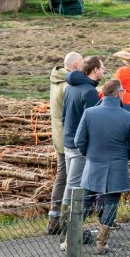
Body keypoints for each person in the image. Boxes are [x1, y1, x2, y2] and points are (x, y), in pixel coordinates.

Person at [71, 77, 130, 255]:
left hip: (93, 165)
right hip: (117, 168)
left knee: (85, 201)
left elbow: (79, 141)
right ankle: (101, 242)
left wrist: (91, 155)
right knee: (111, 204)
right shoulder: (127, 117)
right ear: (119, 93)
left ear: (103, 93)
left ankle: (70, 239)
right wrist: (121, 157)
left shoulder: (89, 113)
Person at [55, 56, 102, 237]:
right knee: (74, 187)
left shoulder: (71, 87)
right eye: (102, 68)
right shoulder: (89, 92)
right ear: (95, 70)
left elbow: (65, 116)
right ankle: (69, 233)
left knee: (71, 184)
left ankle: (69, 229)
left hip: (68, 142)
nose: (104, 71)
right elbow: (92, 123)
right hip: (79, 147)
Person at [47, 51, 84, 235]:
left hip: (59, 135)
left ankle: (55, 219)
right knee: (68, 178)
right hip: (67, 137)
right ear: (76, 65)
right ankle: (63, 221)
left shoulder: (56, 81)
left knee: (63, 176)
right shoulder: (67, 85)